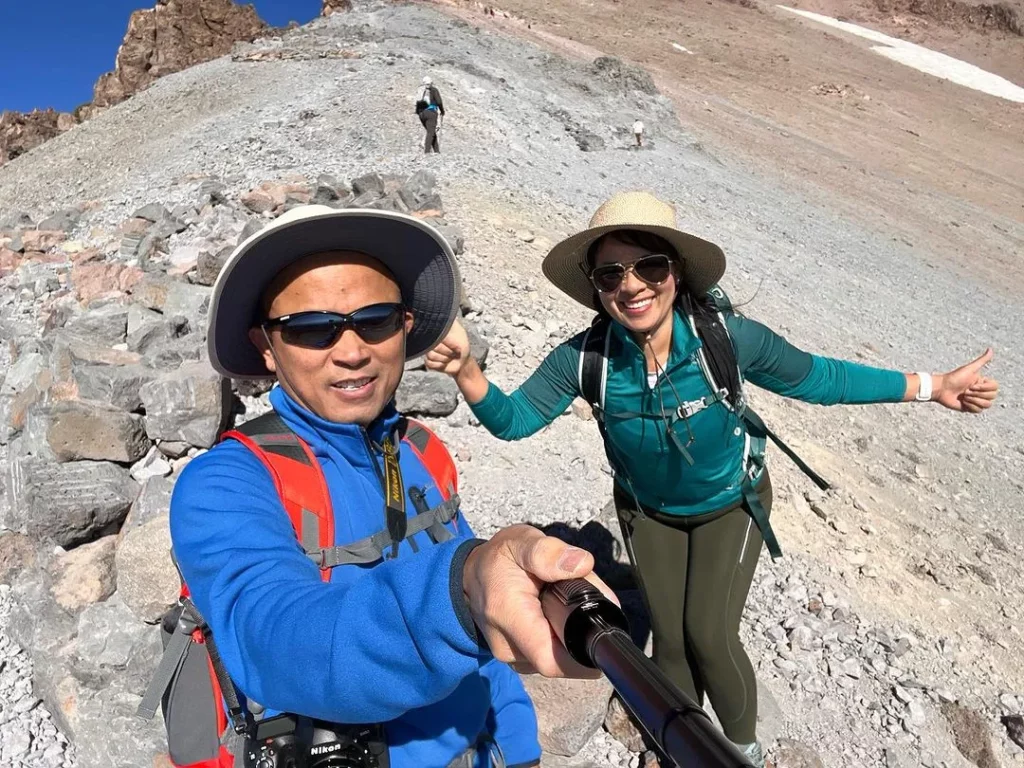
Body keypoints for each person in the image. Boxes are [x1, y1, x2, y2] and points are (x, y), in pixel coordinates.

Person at [425, 191, 1000, 766]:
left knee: (710, 636)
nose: (632, 286)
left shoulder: (724, 338)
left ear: (675, 272)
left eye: (649, 266)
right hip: (648, 512)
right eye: (610, 273)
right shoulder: (586, 359)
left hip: (732, 502)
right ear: (597, 287)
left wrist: (933, 386)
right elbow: (515, 421)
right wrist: (467, 370)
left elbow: (821, 379)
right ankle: (683, 746)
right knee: (670, 643)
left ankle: (738, 750)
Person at [168, 205, 612, 768]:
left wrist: (514, 745)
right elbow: (274, 641)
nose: (352, 351)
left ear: (405, 326)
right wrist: (464, 590)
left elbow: (487, 636)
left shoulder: (422, 449)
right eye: (310, 329)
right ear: (265, 346)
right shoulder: (227, 482)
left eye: (375, 319)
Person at [416, 76, 446, 154]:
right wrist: (442, 111)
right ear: (431, 82)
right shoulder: (434, 90)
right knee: (430, 132)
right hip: (431, 112)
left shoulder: (422, 90)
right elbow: (439, 102)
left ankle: (437, 151)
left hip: (421, 113)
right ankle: (427, 152)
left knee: (431, 131)